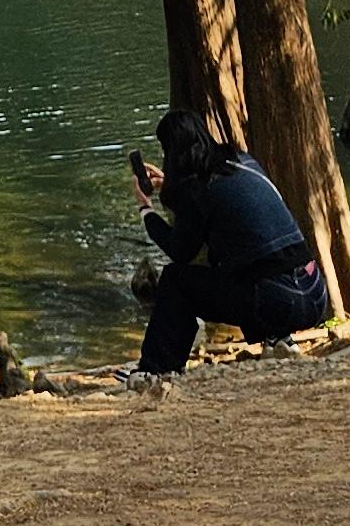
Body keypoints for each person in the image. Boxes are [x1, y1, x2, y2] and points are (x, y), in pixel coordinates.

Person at [132, 109, 330, 374]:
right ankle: (279, 339)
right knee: (246, 266)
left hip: (280, 301)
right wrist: (170, 186)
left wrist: (146, 210)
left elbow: (180, 251)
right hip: (314, 291)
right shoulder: (243, 162)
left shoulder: (197, 190)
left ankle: (155, 370)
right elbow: (230, 205)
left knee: (175, 281)